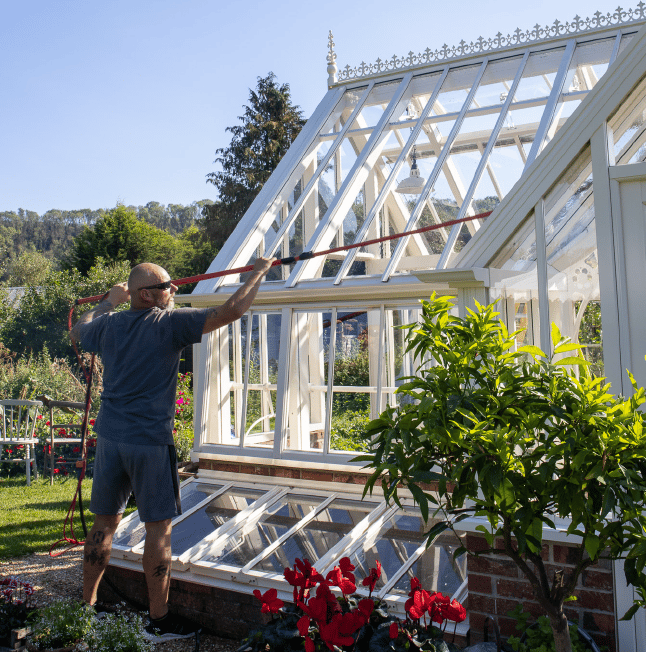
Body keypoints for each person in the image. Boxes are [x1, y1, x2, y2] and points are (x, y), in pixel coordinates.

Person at [70, 257, 274, 640]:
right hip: (149, 443)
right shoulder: (169, 324)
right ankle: (159, 620)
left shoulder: (110, 324)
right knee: (158, 531)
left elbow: (79, 331)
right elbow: (233, 309)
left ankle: (88, 607)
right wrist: (257, 273)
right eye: (167, 286)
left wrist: (110, 301)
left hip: (112, 439)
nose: (173, 290)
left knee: (103, 525)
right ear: (147, 295)